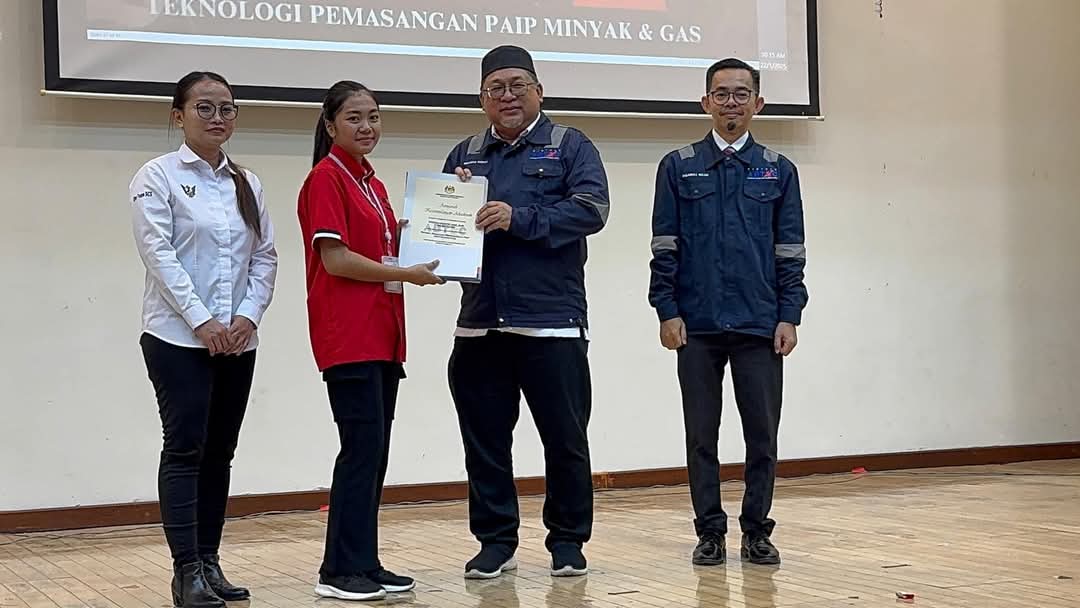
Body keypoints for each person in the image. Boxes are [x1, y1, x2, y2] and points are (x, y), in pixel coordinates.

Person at [443, 45, 610, 579]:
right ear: (482, 99)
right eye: (496, 88)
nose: (507, 96)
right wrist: (433, 244)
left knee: (565, 439)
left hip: (552, 322)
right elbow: (446, 225)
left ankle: (568, 541)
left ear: (539, 91)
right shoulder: (465, 154)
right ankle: (495, 542)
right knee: (485, 443)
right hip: (480, 323)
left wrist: (520, 218)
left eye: (518, 85)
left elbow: (592, 210)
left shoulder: (570, 145)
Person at [648, 57, 808, 566]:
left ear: (757, 103)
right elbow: (664, 247)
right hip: (696, 326)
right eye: (721, 94)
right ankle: (709, 532)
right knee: (702, 435)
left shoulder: (779, 170)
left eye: (741, 94)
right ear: (706, 103)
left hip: (761, 325)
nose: (731, 103)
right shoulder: (677, 166)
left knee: (762, 436)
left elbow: (790, 251)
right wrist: (666, 310)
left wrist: (789, 314)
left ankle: (757, 531)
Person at [130, 71, 278, 608]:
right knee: (185, 448)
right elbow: (160, 256)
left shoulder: (247, 182)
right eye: (205, 108)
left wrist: (247, 317)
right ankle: (185, 570)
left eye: (227, 108)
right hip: (177, 339)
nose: (218, 118)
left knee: (220, 454)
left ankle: (210, 563)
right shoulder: (157, 176)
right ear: (179, 115)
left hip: (237, 341)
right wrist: (202, 321)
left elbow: (264, 257)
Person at [297, 80, 444, 602]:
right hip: (349, 336)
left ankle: (363, 561)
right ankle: (337, 570)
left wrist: (449, 209)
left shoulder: (372, 184)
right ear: (330, 125)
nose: (367, 127)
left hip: (383, 335)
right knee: (360, 450)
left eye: (374, 117)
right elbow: (336, 259)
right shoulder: (325, 178)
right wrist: (407, 274)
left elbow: (386, 241)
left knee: (374, 453)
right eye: (354, 118)